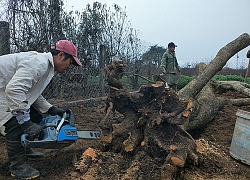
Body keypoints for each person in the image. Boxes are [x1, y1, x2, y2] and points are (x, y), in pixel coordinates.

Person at [0, 40, 82, 179]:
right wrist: (25, 123)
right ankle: (18, 167)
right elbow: (15, 89)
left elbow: (31, 92)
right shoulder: (39, 63)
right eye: (70, 62)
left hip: (6, 89)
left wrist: (50, 109)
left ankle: (23, 148)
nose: (70, 67)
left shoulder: (46, 65)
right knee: (15, 122)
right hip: (7, 90)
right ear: (61, 55)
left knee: (33, 114)